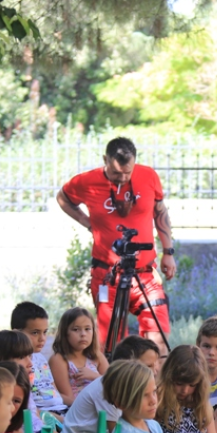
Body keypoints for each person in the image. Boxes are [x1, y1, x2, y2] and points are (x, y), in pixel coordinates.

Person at [56, 137, 177, 356]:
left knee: (157, 337)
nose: (121, 178)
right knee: (109, 344)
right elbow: (63, 198)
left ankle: (154, 385)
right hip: (107, 274)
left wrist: (168, 252)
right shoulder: (87, 181)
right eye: (116, 173)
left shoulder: (148, 176)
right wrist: (87, 223)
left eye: (126, 173)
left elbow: (160, 211)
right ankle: (113, 384)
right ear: (106, 160)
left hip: (145, 274)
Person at [11, 302, 67, 417]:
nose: (42, 339)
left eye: (45, 332)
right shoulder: (16, 362)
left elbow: (53, 390)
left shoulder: (40, 358)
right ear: (17, 332)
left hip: (62, 409)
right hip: (42, 415)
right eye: (35, 333)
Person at [49, 308, 109, 407]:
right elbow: (68, 398)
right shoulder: (59, 359)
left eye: (87, 329)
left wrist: (95, 376)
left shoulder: (96, 356)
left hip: (103, 407)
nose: (83, 334)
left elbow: (114, 384)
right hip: (78, 412)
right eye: (76, 329)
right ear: (65, 333)